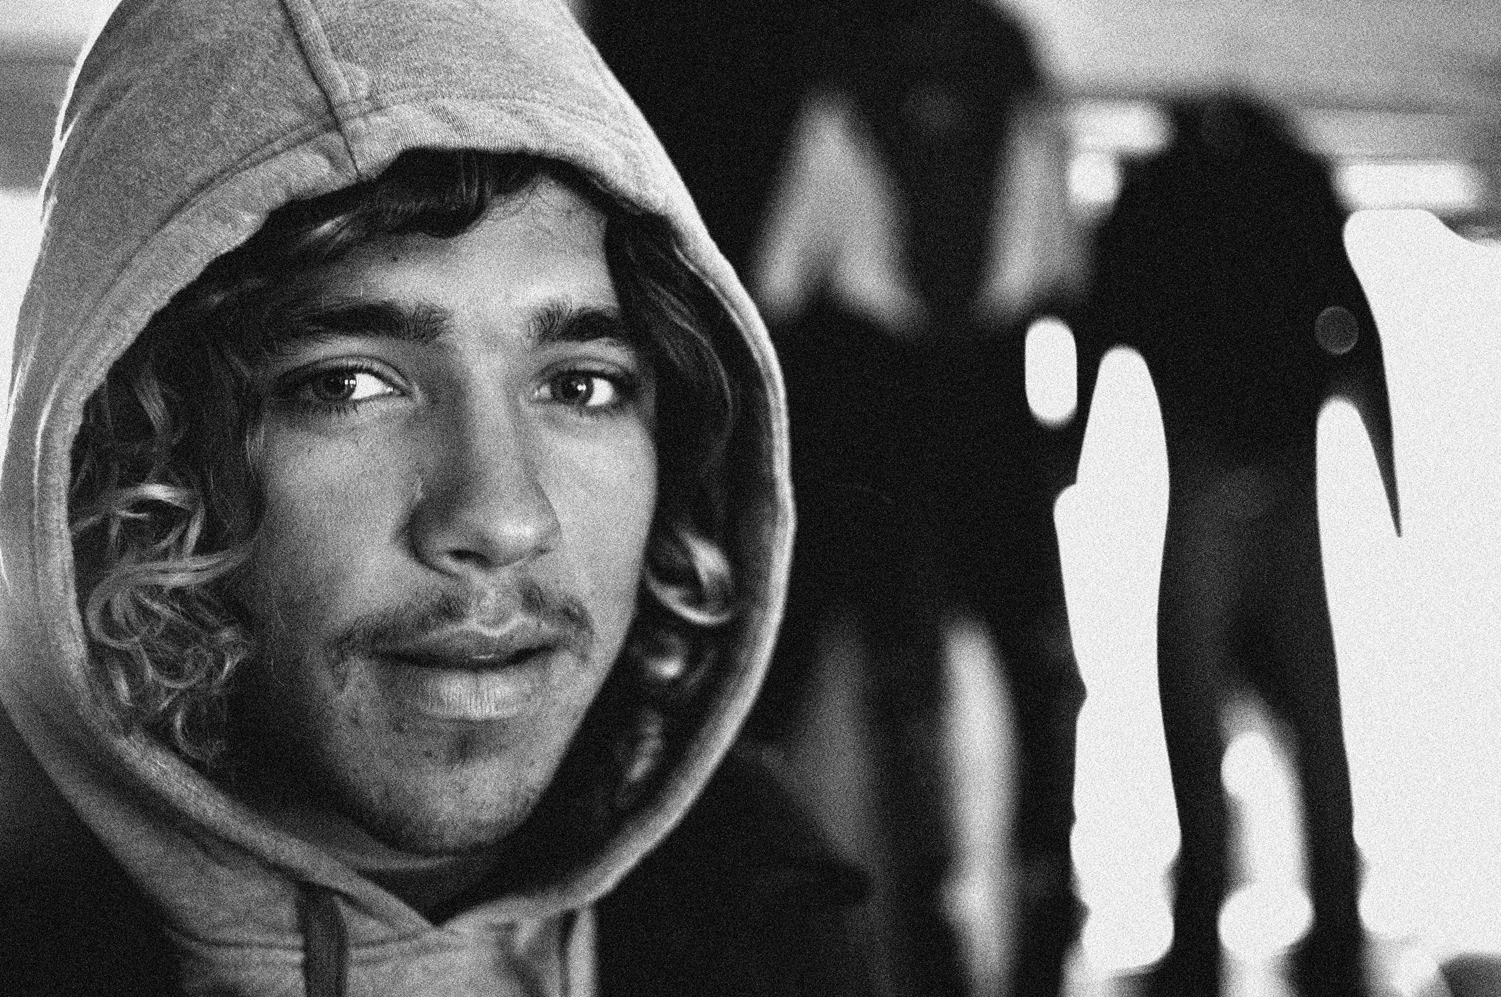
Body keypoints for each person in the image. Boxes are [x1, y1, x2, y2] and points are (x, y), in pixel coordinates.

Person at [0, 0, 873, 994]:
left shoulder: (771, 905)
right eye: (346, 384)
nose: (500, 520)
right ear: (133, 456)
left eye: (580, 385)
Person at [1074, 94, 1397, 997]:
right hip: (1272, 478)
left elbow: (1103, 325)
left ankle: (1206, 953)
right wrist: (1389, 482)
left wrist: (1068, 457)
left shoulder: (1159, 190)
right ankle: (1328, 945)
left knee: (1201, 726)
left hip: (1209, 478)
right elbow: (1357, 336)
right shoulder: (1288, 182)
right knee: (1309, 729)